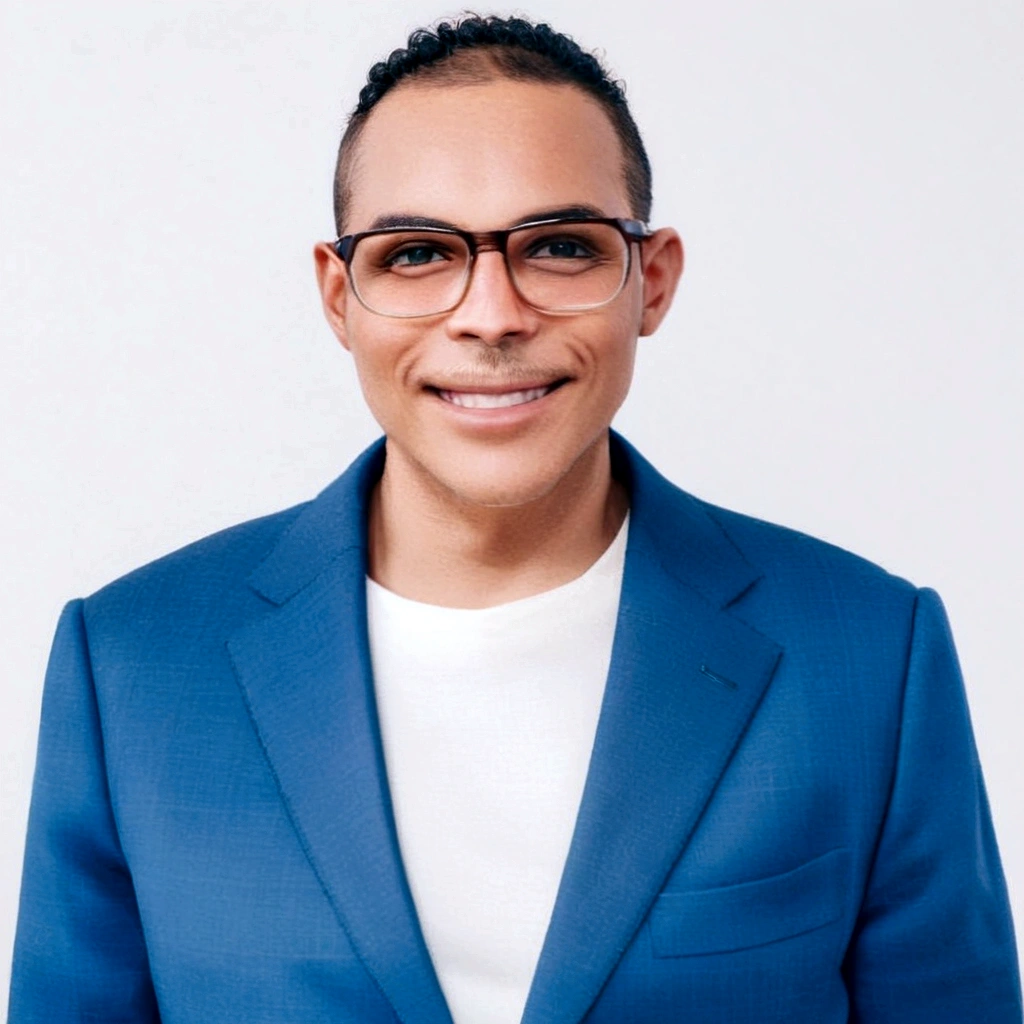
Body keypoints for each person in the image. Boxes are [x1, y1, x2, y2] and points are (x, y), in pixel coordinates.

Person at [8, 13, 1021, 1024]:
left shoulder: (868, 655)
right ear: (338, 294)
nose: (490, 313)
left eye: (560, 246)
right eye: (415, 254)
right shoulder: (132, 666)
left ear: (651, 280)